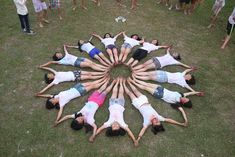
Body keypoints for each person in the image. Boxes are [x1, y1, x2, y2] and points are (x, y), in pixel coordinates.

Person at [123, 79, 187, 145]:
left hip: (138, 104)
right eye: (158, 121)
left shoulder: (147, 122)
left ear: (152, 125)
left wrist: (138, 139)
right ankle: (130, 82)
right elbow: (169, 120)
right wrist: (180, 123)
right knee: (135, 90)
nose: (157, 120)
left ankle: (124, 84)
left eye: (156, 122)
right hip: (144, 101)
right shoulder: (159, 118)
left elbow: (143, 130)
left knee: (130, 93)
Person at [36, 77, 108, 123]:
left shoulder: (56, 96)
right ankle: (104, 82)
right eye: (52, 101)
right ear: (54, 104)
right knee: (93, 86)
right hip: (79, 92)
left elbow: (48, 95)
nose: (52, 99)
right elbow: (61, 113)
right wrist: (57, 120)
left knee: (91, 83)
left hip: (75, 87)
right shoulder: (61, 103)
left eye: (51, 99)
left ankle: (103, 79)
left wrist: (40, 94)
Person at [94, 78, 137, 146]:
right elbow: (129, 131)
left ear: (111, 127)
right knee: (120, 92)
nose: (115, 124)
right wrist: (134, 140)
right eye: (117, 126)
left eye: (114, 126)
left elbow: (100, 129)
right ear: (120, 127)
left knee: (114, 92)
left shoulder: (108, 123)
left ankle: (116, 83)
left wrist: (94, 135)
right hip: (120, 104)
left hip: (112, 104)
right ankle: (121, 83)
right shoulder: (123, 124)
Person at [128, 77, 204, 111]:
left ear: (183, 102)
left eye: (185, 100)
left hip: (159, 94)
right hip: (162, 88)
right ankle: (135, 80)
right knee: (147, 84)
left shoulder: (177, 102)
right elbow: (189, 93)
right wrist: (197, 92)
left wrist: (185, 120)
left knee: (145, 87)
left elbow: (181, 110)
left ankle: (132, 82)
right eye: (186, 98)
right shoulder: (181, 95)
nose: (185, 98)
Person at [36, 66, 106, 94]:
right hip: (74, 78)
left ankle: (102, 74)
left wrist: (42, 67)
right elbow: (48, 87)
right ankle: (102, 77)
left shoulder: (55, 73)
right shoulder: (55, 81)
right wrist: (40, 92)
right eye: (49, 76)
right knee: (89, 77)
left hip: (74, 72)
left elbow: (49, 69)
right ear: (50, 78)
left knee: (89, 73)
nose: (50, 74)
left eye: (49, 74)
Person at [40, 45, 107, 71]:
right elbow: (51, 62)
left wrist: (65, 46)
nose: (59, 54)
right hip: (76, 63)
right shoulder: (61, 61)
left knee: (92, 63)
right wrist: (42, 66)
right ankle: (103, 70)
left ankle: (105, 67)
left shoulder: (66, 54)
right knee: (90, 65)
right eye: (58, 55)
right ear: (57, 58)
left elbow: (65, 49)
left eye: (58, 53)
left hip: (79, 58)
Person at [133, 68, 197, 92]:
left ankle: (136, 77)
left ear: (188, 79)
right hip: (164, 73)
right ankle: (136, 73)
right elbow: (186, 70)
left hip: (164, 79)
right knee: (149, 73)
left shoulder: (183, 82)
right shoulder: (183, 74)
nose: (188, 74)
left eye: (189, 75)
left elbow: (189, 88)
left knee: (150, 77)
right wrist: (192, 69)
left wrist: (195, 92)